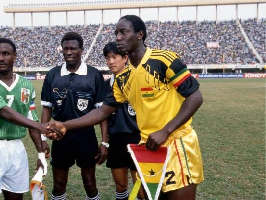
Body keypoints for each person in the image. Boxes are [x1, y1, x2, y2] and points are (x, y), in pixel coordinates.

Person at [48, 15, 204, 200]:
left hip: (176, 144)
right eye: (116, 33)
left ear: (140, 34)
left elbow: (195, 97)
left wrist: (166, 130)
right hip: (148, 147)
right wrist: (66, 125)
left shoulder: (163, 60)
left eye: (123, 32)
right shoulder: (123, 78)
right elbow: (102, 112)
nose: (118, 37)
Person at [0, 38, 62, 200]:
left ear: (14, 55)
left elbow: (31, 118)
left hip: (17, 150)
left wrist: (40, 154)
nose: (1, 58)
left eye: (6, 53)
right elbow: (3, 111)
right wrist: (40, 127)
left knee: (16, 197)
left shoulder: (26, 84)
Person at [40, 32, 107, 200]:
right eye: (65, 49)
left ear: (81, 50)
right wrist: (43, 138)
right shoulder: (53, 74)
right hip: (59, 138)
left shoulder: (94, 75)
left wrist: (105, 141)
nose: (69, 52)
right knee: (58, 185)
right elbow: (47, 108)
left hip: (86, 137)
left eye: (73, 48)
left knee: (90, 184)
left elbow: (102, 113)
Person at [103, 42, 144, 200]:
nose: (111, 61)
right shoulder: (106, 85)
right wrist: (105, 142)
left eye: (114, 57)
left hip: (137, 138)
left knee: (141, 189)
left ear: (125, 58)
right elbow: (103, 116)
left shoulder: (137, 79)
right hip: (116, 140)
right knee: (120, 185)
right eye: (108, 58)